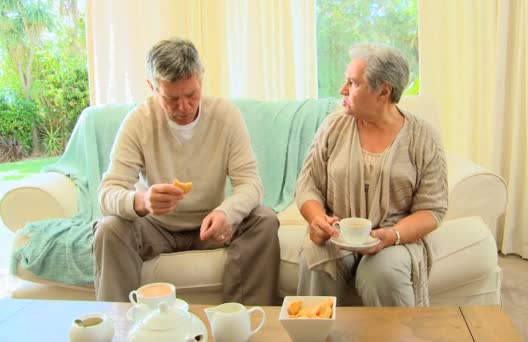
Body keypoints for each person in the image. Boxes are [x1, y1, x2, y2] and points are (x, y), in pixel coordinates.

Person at [93, 38, 279, 305]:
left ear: (201, 80)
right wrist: (142, 201)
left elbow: (250, 183)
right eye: (171, 98)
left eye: (191, 94)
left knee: (265, 219)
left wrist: (225, 213)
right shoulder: (138, 122)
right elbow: (107, 193)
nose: (184, 107)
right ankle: (120, 327)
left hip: (210, 225)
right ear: (152, 88)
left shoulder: (226, 116)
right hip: (156, 227)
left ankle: (242, 319)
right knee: (109, 229)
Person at [295, 42, 448, 306]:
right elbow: (309, 184)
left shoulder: (424, 136)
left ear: (384, 92)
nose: (342, 89)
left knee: (381, 272)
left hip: (396, 237)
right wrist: (317, 219)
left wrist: (393, 235)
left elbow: (432, 209)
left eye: (353, 83)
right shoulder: (334, 125)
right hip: (339, 233)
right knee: (316, 256)